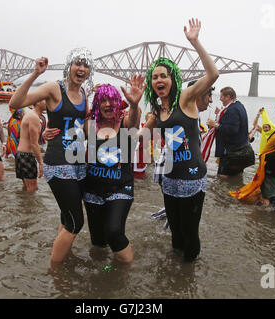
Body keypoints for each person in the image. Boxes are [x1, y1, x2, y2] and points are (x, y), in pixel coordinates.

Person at [142, 18, 219, 262]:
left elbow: (213, 74)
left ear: (172, 78)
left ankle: (188, 274)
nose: (159, 80)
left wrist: (195, 42)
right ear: (151, 84)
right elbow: (139, 139)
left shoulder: (185, 99)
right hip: (170, 178)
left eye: (163, 75)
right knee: (175, 232)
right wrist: (132, 107)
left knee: (190, 232)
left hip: (193, 178)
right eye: (154, 77)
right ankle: (175, 275)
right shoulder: (156, 111)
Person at [9, 48, 94, 265]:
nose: (81, 68)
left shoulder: (84, 94)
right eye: (78, 63)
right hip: (58, 162)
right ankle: (55, 272)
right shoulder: (54, 88)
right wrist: (35, 74)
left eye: (86, 65)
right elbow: (15, 104)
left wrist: (114, 125)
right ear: (69, 66)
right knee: (76, 222)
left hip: (77, 162)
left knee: (67, 216)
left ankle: (63, 256)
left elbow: (85, 129)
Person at [83, 80, 143, 263]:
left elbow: (134, 119)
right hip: (92, 189)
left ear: (118, 103)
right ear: (97, 104)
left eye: (111, 100)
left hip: (120, 188)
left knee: (114, 232)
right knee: (98, 242)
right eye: (103, 100)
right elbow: (73, 120)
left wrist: (134, 104)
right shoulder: (90, 125)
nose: (107, 104)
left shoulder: (125, 123)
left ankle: (126, 274)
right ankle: (106, 274)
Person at [206, 87, 254, 178]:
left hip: (231, 152)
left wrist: (215, 124)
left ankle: (222, 192)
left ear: (228, 97)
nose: (220, 99)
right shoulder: (239, 105)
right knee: (237, 177)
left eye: (221, 97)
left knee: (222, 177)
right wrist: (220, 113)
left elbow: (232, 129)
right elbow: (233, 122)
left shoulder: (233, 110)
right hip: (241, 150)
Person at [15, 101, 45, 192]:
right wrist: (41, 163)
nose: (48, 102)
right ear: (38, 102)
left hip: (21, 154)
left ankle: (23, 205)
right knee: (32, 189)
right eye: (45, 100)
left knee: (26, 188)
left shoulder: (30, 114)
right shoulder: (33, 117)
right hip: (26, 155)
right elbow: (34, 143)